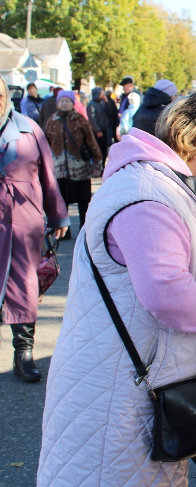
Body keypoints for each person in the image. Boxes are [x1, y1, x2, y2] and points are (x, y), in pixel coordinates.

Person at [38, 67, 196, 487]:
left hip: (137, 390)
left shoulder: (158, 185)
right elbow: (168, 294)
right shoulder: (147, 196)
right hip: (118, 403)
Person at [0, 76, 69, 382]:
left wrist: (58, 217)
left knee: (23, 285)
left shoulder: (30, 129)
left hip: (22, 219)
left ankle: (23, 353)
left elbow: (48, 177)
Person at [44, 90, 103, 238]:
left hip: (80, 169)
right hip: (60, 170)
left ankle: (84, 231)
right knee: (62, 201)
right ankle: (65, 231)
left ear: (73, 103)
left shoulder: (80, 119)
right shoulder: (52, 120)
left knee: (83, 202)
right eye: (61, 101)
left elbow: (91, 142)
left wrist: (97, 164)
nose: (64, 104)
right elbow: (46, 144)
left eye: (67, 101)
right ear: (57, 103)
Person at [87, 87, 112, 161]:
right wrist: (97, 130)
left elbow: (109, 112)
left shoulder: (101, 103)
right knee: (99, 150)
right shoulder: (91, 105)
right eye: (101, 94)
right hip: (98, 131)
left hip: (104, 129)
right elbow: (92, 119)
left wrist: (107, 102)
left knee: (104, 151)